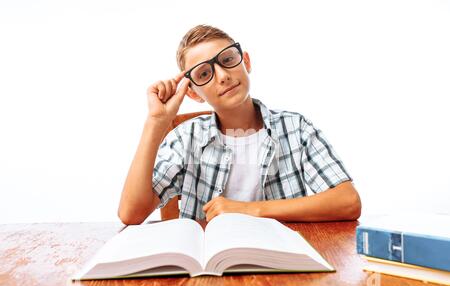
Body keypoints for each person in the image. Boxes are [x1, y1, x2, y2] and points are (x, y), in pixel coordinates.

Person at [118, 24, 361, 225]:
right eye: (204, 74)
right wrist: (156, 122)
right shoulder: (186, 139)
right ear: (194, 94)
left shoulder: (295, 128)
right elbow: (131, 214)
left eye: (228, 60)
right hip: (209, 274)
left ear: (246, 61)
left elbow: (348, 202)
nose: (223, 76)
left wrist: (249, 209)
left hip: (282, 265)